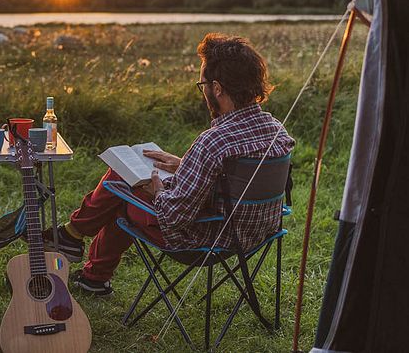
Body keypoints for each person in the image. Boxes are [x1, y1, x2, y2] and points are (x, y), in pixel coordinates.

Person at [44, 33, 296, 296]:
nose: (204, 92)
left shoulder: (214, 142)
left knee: (120, 190)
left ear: (218, 88)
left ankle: (76, 242)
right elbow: (235, 183)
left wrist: (157, 190)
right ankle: (87, 268)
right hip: (254, 235)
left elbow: (174, 217)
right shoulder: (276, 130)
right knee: (121, 191)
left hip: (204, 240)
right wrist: (184, 165)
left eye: (203, 84)